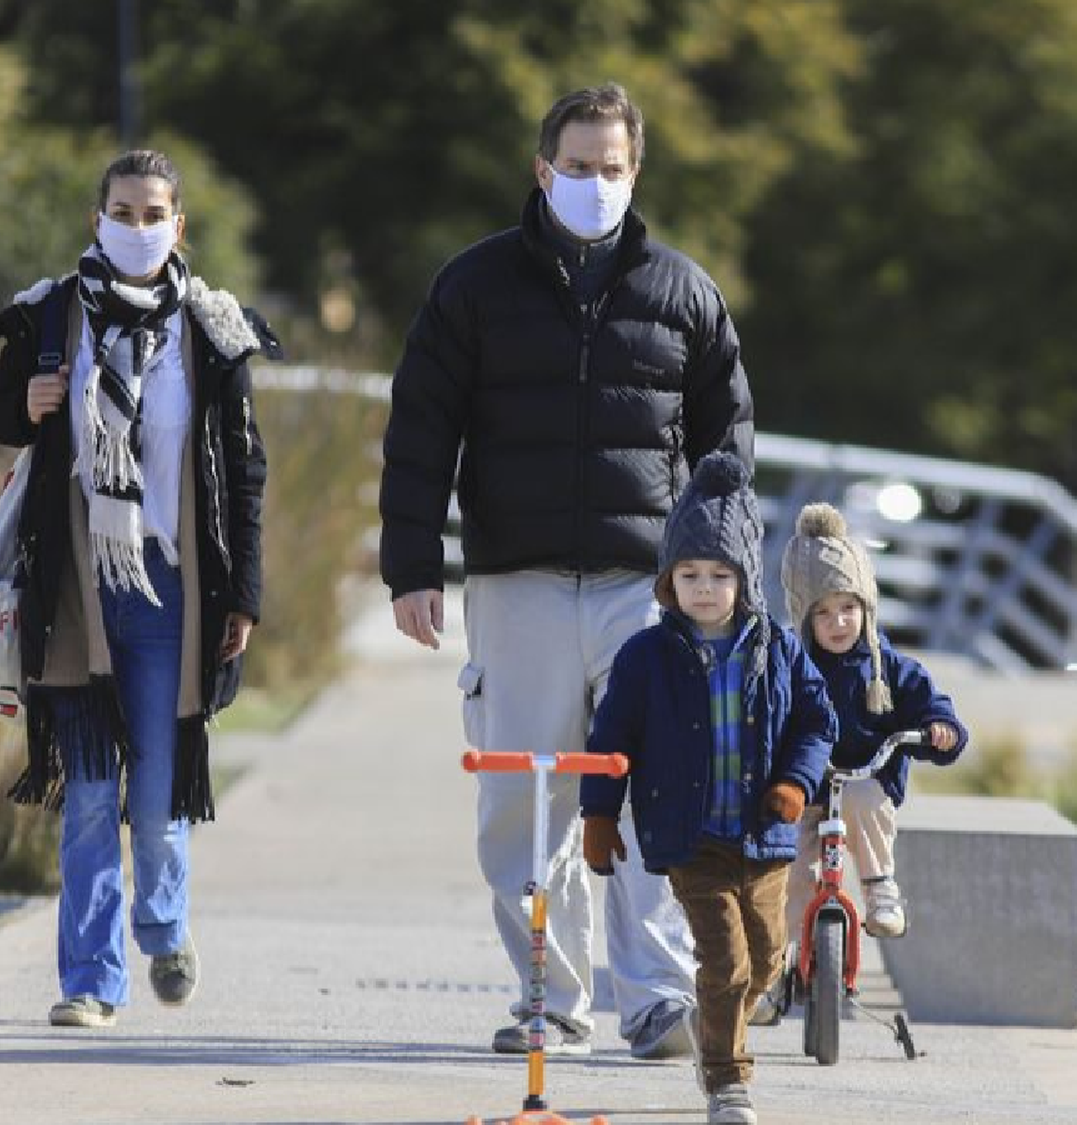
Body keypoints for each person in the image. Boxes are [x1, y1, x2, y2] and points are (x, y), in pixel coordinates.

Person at [378, 81, 755, 1058]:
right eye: (578, 167)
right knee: (526, 799)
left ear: (637, 174)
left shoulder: (684, 295)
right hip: (518, 583)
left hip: (648, 591)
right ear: (543, 170)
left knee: (654, 787)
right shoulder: (473, 286)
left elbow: (728, 452)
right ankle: (547, 995)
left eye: (612, 168)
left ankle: (660, 997)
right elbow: (421, 431)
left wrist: (725, 578)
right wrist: (412, 565)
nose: (594, 183)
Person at [0, 149, 274, 1028]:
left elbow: (244, 475)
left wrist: (245, 596)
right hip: (75, 591)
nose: (135, 227)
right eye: (121, 210)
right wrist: (28, 398)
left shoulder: (213, 331)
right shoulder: (51, 314)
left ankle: (164, 921)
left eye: (152, 214)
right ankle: (90, 981)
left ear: (179, 227)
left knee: (156, 788)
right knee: (92, 791)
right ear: (95, 218)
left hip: (172, 593)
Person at [580, 451, 835, 1125]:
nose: (703, 587)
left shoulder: (780, 649)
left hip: (766, 834)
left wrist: (794, 782)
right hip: (691, 838)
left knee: (767, 964)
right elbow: (609, 738)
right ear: (668, 580)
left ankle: (714, 1026)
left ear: (745, 579)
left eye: (719, 575)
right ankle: (728, 1083)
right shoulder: (645, 657)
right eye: (688, 574)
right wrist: (599, 815)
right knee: (723, 961)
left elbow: (817, 720)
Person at [779, 503, 968, 942]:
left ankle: (880, 887)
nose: (838, 622)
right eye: (822, 613)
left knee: (865, 800)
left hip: (867, 775)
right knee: (792, 873)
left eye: (848, 607)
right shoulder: (789, 663)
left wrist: (940, 729)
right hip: (806, 785)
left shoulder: (888, 667)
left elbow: (929, 702)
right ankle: (779, 967)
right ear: (804, 618)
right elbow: (765, 705)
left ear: (867, 606)